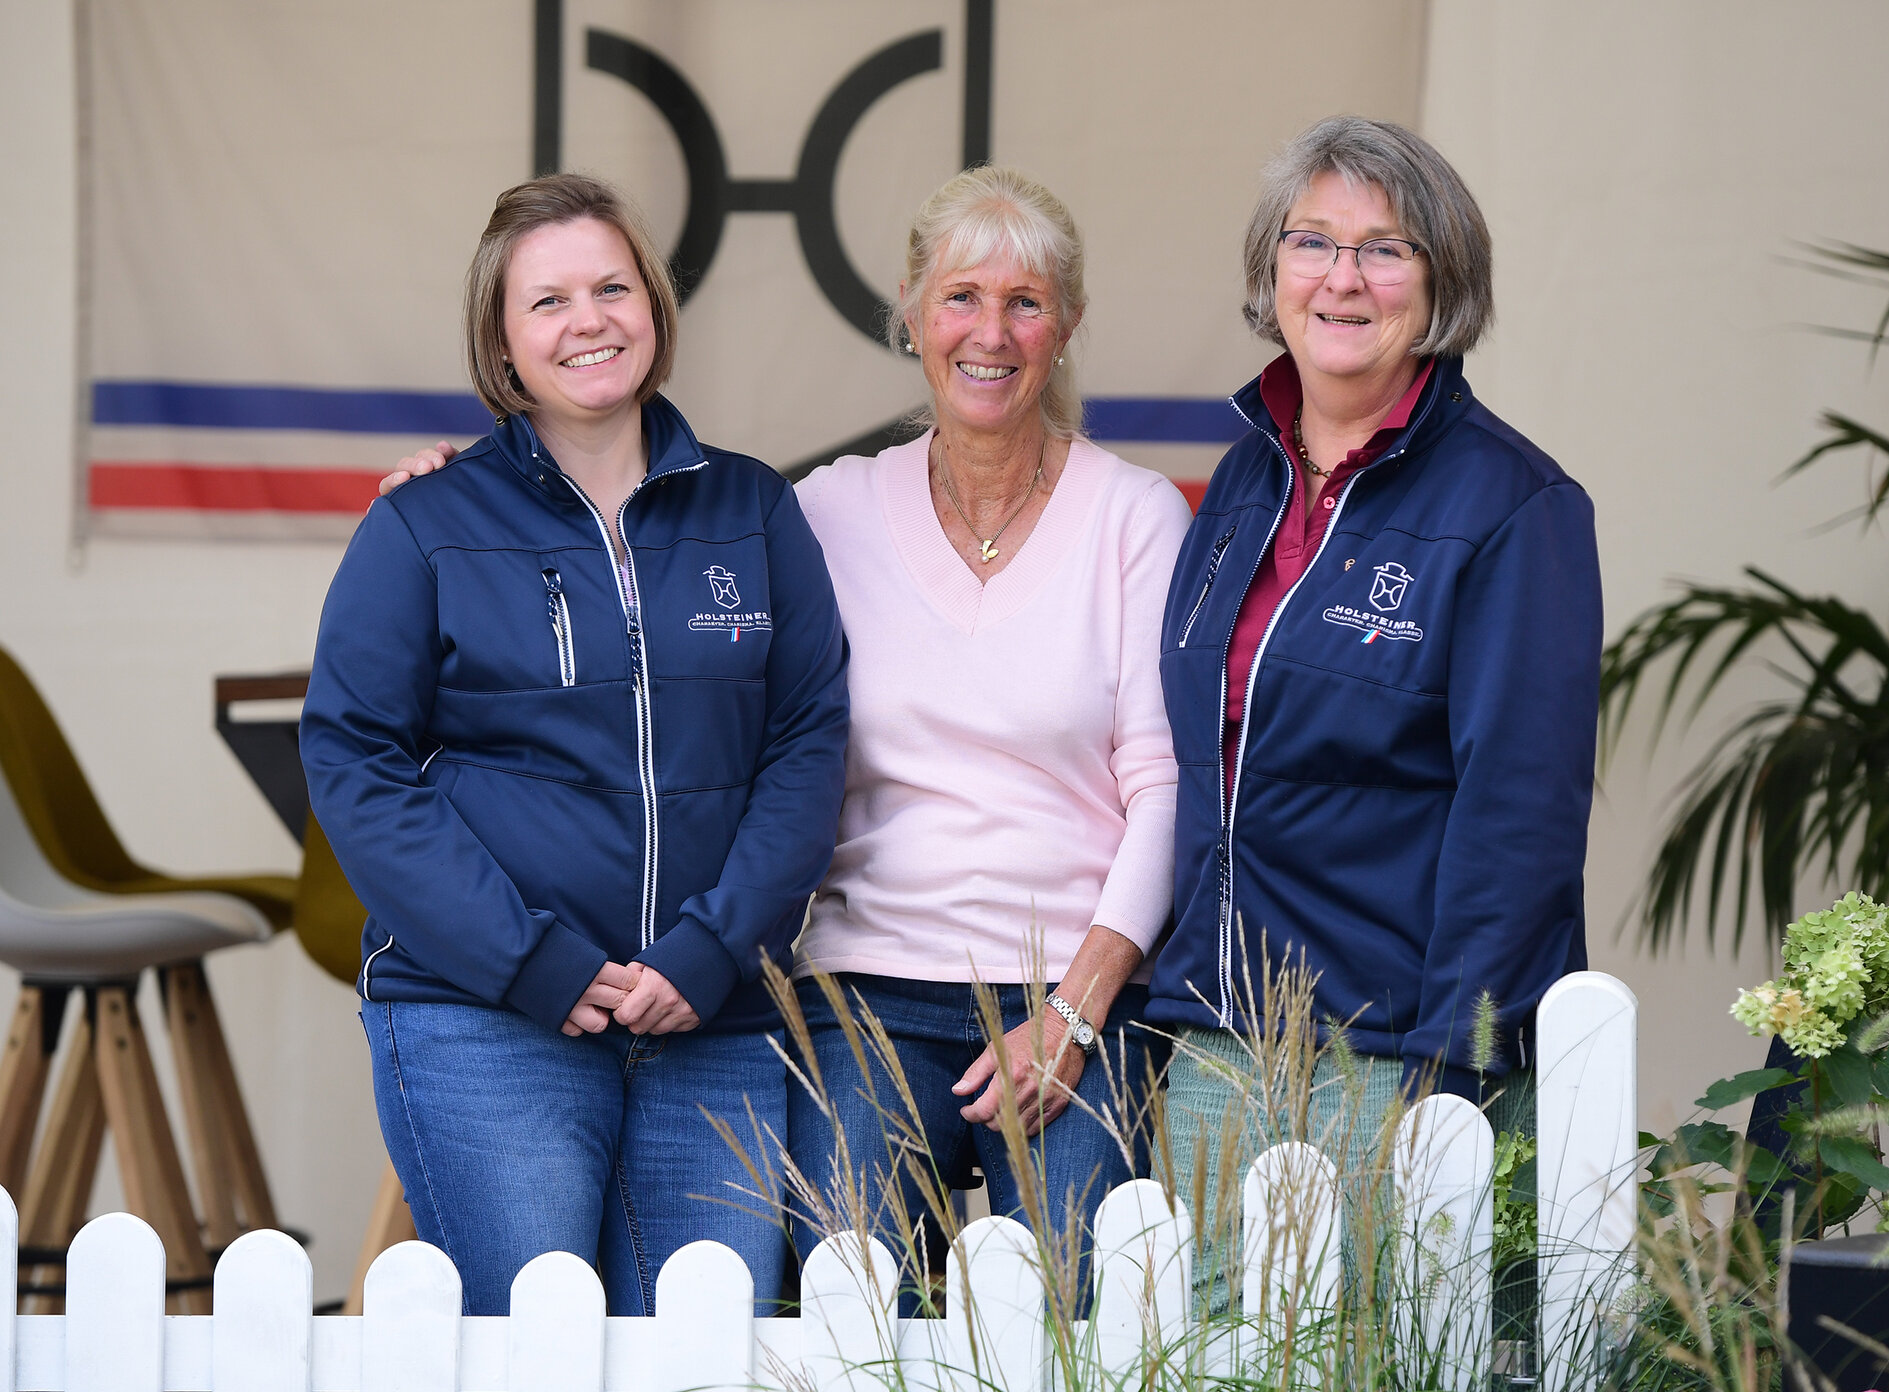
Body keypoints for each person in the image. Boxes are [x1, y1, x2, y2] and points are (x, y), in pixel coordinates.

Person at [302, 172, 849, 1318]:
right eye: (547, 302)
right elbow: (355, 762)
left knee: (703, 1358)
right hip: (484, 1022)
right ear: (501, 346)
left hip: (717, 1021)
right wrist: (527, 961)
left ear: (653, 304)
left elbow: (805, 743)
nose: (588, 319)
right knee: (532, 1355)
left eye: (611, 286)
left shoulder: (752, 511)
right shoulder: (425, 525)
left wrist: (711, 953)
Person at [1144, 116, 1600, 1289]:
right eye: (1312, 242)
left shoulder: (1516, 504)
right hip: (1214, 1036)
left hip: (1384, 1051)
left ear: (1439, 285)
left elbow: (1521, 815)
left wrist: (1454, 1075)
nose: (1341, 278)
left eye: (1385, 249)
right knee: (1203, 1359)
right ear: (1271, 270)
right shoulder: (1246, 473)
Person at [785, 165, 1189, 1305]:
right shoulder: (827, 511)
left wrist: (1075, 1007)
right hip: (862, 986)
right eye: (962, 296)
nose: (990, 332)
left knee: (1065, 1320)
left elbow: (1163, 782)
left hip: (1072, 987)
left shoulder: (1135, 516)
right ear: (911, 314)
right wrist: (473, 480)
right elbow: (659, 561)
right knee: (850, 1323)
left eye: (1025, 302)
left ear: (1064, 329)